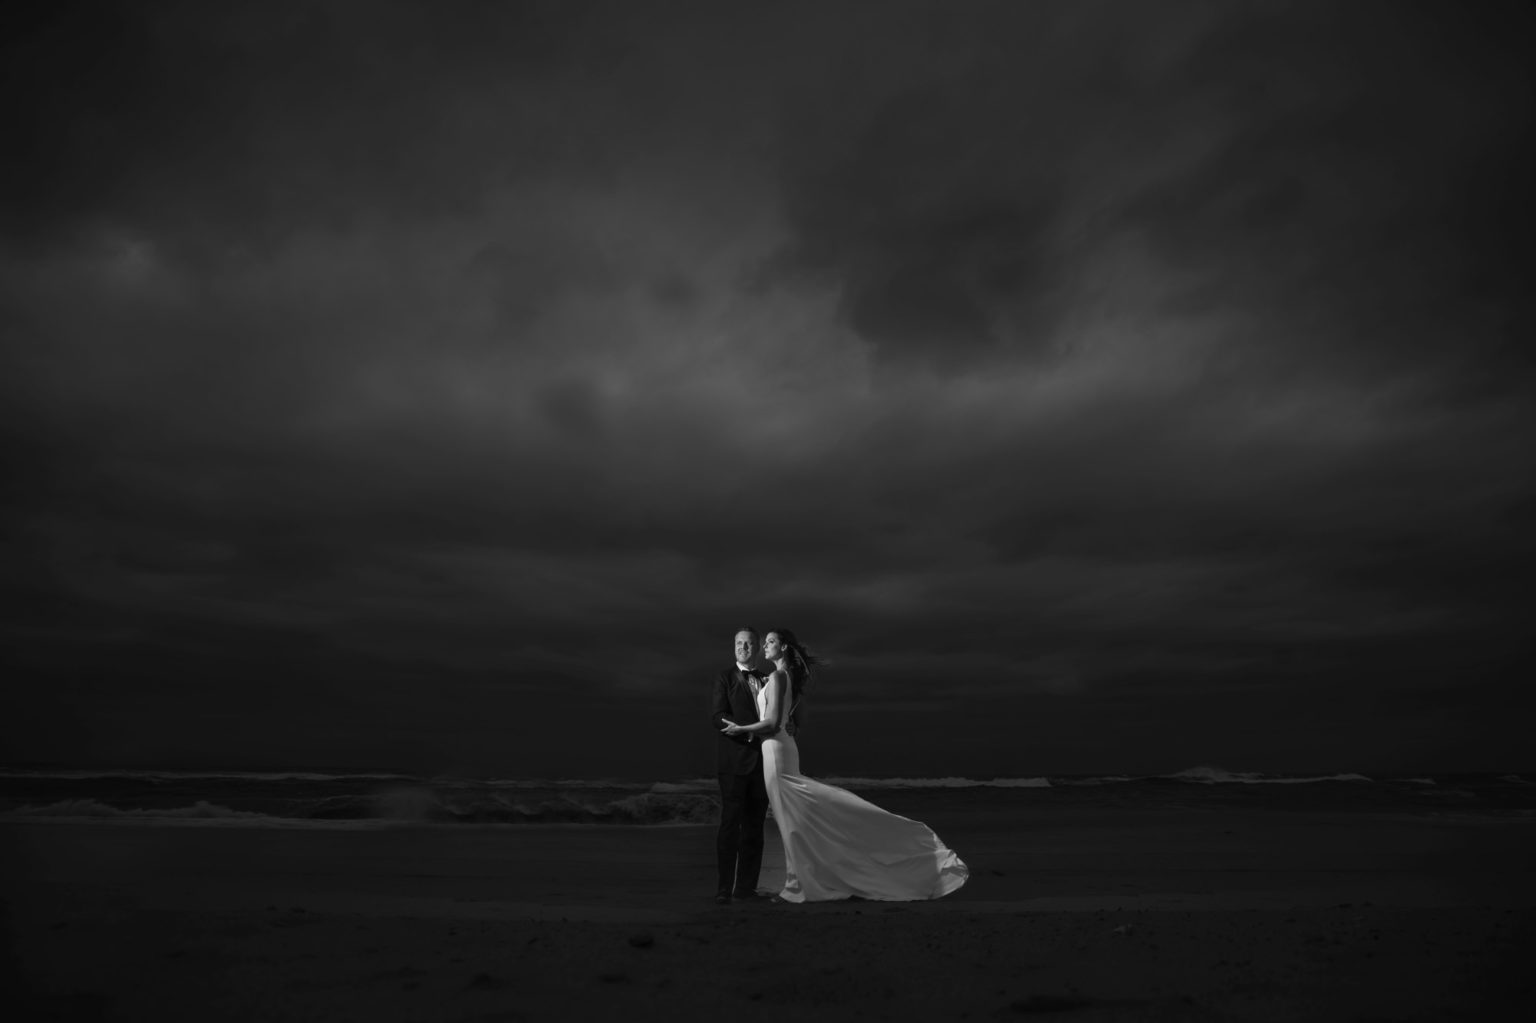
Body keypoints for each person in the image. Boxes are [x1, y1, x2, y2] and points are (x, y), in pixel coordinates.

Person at [720, 629, 969, 902]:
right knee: (793, 819)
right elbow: (793, 718)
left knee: (791, 821)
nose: (764, 646)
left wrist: (741, 728)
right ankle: (803, 881)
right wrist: (790, 724)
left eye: (770, 642)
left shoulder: (779, 677)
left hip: (777, 753)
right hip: (776, 750)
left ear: (784, 648)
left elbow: (772, 723)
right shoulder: (778, 677)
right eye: (764, 642)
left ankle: (796, 886)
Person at [708, 627, 774, 904]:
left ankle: (746, 889)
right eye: (738, 643)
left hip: (763, 765)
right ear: (733, 646)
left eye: (748, 643)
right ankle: (724, 889)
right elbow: (717, 716)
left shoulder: (767, 679)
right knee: (729, 827)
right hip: (734, 763)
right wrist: (748, 732)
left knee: (755, 829)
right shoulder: (724, 677)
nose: (743, 647)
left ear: (757, 648)